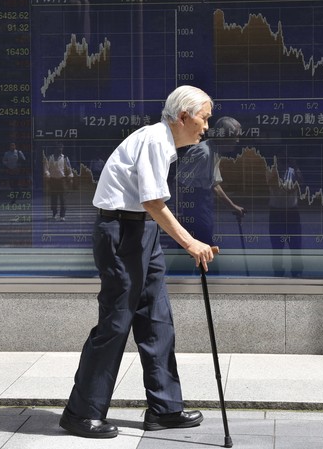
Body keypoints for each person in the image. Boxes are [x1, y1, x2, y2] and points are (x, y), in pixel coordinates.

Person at [59, 85, 217, 439]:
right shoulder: (154, 141)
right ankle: (80, 413)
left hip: (142, 231)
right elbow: (153, 202)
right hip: (121, 231)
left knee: (157, 319)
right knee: (116, 323)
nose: (206, 127)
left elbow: (149, 210)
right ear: (184, 116)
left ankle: (165, 409)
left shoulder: (163, 145)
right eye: (204, 119)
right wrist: (191, 243)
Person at [175, 116, 246, 244]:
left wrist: (232, 206)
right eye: (234, 136)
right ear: (223, 137)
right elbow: (180, 182)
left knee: (202, 246)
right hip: (194, 205)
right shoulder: (204, 153)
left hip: (204, 204)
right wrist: (179, 213)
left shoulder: (214, 152)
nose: (237, 140)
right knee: (200, 246)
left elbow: (214, 184)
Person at [265, 152, 304, 276]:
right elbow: (273, 184)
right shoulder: (271, 171)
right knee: (277, 245)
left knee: (295, 244)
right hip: (278, 211)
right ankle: (279, 270)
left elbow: (299, 185)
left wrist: (295, 168)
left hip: (289, 210)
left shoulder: (293, 172)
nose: (283, 164)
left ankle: (296, 270)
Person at [44, 142, 74, 221]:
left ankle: (62, 215)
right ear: (55, 149)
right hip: (53, 180)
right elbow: (46, 168)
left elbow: (69, 169)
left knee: (63, 199)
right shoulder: (49, 158)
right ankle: (54, 214)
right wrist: (47, 175)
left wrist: (70, 176)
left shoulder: (65, 158)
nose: (60, 149)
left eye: (61, 148)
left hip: (62, 180)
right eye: (58, 148)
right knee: (53, 198)